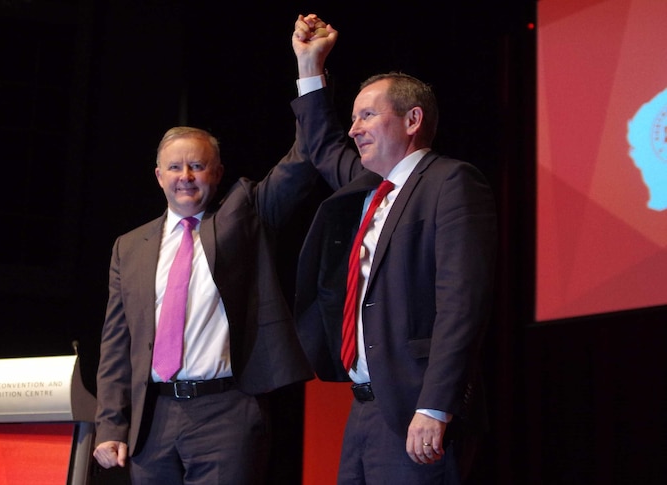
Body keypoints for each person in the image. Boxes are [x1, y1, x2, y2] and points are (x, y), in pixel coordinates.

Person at [289, 14, 498, 484]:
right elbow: (322, 146)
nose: (355, 128)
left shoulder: (450, 183)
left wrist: (435, 405)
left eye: (367, 115)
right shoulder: (370, 188)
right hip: (364, 408)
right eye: (354, 117)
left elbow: (461, 305)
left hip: (417, 407)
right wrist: (309, 65)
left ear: (412, 119)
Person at [92, 125, 316, 484]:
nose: (186, 177)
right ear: (159, 176)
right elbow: (117, 345)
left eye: (197, 165)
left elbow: (302, 161)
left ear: (218, 172)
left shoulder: (242, 219)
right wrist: (110, 425)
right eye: (175, 167)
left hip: (225, 413)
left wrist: (309, 76)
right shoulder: (130, 246)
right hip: (153, 419)